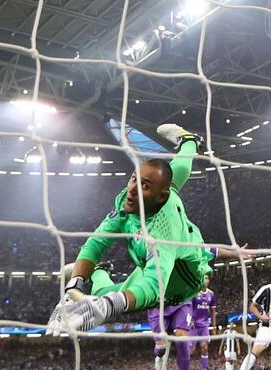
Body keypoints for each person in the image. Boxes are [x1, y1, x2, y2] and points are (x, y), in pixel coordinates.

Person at [47, 124, 246, 334]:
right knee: (177, 169)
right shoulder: (128, 199)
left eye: (144, 186)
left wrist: (111, 305)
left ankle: (99, 273)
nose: (132, 189)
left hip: (179, 283)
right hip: (148, 263)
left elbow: (154, 286)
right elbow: (97, 241)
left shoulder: (163, 232)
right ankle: (190, 141)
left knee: (106, 295)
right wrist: (75, 285)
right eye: (134, 178)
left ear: (161, 197)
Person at [149, 301, 193, 370]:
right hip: (158, 303)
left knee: (182, 338)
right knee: (161, 347)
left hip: (182, 299)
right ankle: (159, 356)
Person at [191, 276, 217, 370]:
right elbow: (188, 307)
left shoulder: (211, 294)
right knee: (190, 351)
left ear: (209, 280)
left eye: (207, 278)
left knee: (204, 348)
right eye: (203, 278)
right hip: (193, 325)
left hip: (204, 325)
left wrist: (214, 327)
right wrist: (191, 319)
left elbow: (213, 312)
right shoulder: (194, 292)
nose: (205, 280)